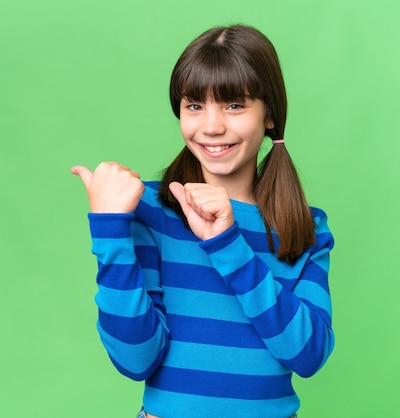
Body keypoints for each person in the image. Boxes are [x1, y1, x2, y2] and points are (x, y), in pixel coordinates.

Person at [71, 24, 334, 418]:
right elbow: (136, 359)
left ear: (269, 116)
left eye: (234, 105)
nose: (211, 126)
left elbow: (309, 355)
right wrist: (109, 231)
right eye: (194, 105)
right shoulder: (150, 209)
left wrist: (229, 244)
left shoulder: (305, 228)